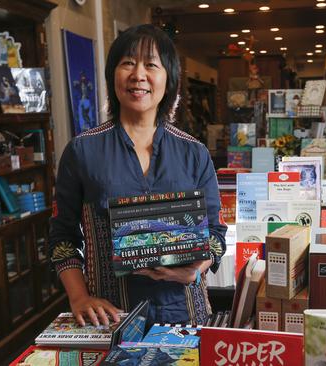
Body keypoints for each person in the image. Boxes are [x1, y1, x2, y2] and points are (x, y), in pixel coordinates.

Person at [49, 24, 227, 328]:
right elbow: (62, 237)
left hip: (185, 315)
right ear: (112, 74)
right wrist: (79, 297)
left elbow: (216, 233)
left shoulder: (193, 152)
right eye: (128, 63)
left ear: (169, 78)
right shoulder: (82, 151)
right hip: (111, 316)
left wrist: (196, 268)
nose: (138, 75)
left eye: (151, 65)